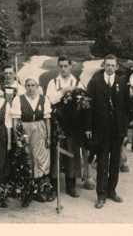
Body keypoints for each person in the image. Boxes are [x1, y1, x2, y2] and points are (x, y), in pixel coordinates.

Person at [85, 55, 133, 209]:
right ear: (104, 66)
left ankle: (111, 191)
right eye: (107, 65)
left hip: (117, 131)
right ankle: (101, 195)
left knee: (115, 163)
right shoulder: (95, 83)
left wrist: (132, 98)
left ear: (116, 67)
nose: (109, 68)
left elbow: (128, 107)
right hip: (101, 131)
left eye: (112, 65)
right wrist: (89, 128)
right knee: (102, 163)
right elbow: (89, 107)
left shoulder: (122, 83)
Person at [46, 55, 85, 199]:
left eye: (66, 66)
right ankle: (54, 186)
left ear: (70, 66)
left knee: (71, 152)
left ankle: (71, 186)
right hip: (57, 122)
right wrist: (64, 91)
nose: (63, 69)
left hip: (72, 124)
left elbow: (83, 100)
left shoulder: (77, 82)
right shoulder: (53, 82)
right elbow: (50, 100)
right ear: (58, 67)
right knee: (56, 152)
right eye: (60, 66)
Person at [11, 74, 52, 208]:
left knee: (40, 158)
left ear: (37, 86)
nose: (30, 88)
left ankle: (39, 189)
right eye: (28, 85)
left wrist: (49, 137)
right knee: (27, 158)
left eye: (33, 85)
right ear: (25, 87)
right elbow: (16, 119)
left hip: (40, 129)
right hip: (25, 129)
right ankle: (26, 190)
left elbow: (47, 119)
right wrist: (17, 137)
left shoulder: (43, 99)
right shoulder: (18, 99)